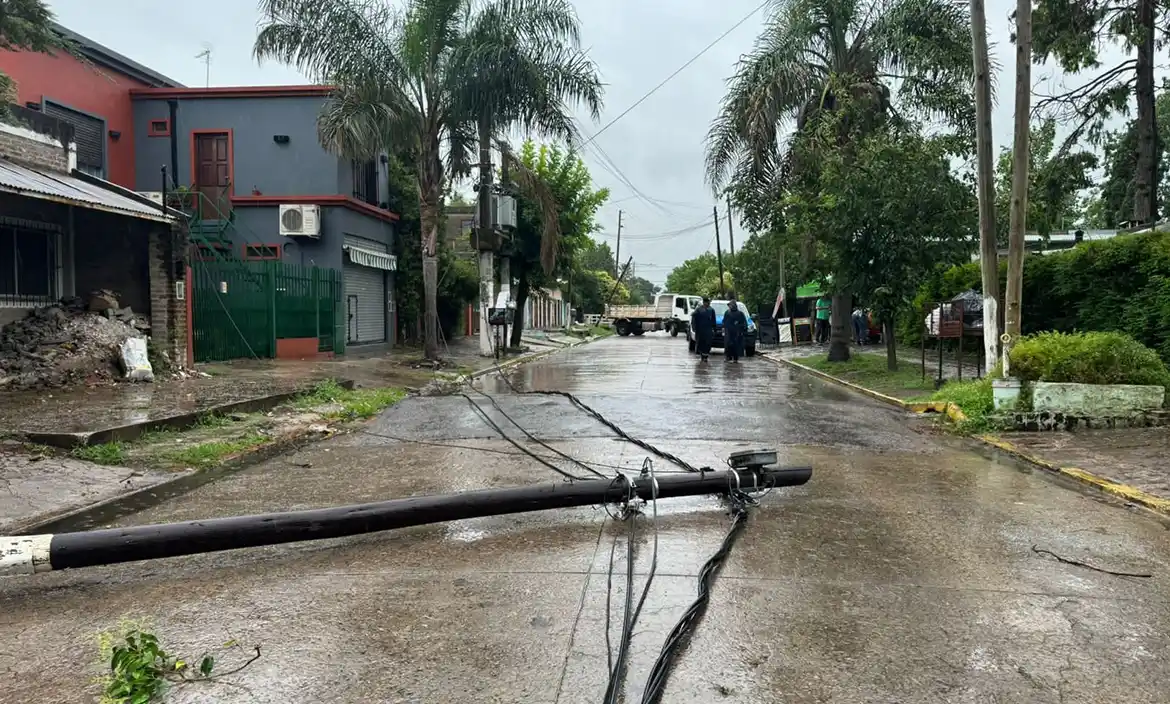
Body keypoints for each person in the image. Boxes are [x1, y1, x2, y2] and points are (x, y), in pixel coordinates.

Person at [690, 297, 716, 362]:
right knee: (701, 343)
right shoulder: (699, 309)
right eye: (707, 302)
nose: (708, 303)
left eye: (709, 302)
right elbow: (694, 317)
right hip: (700, 330)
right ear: (704, 302)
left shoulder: (711, 310)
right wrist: (694, 328)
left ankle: (706, 356)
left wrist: (714, 328)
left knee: (708, 343)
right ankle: (702, 356)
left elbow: (713, 320)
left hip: (708, 329)